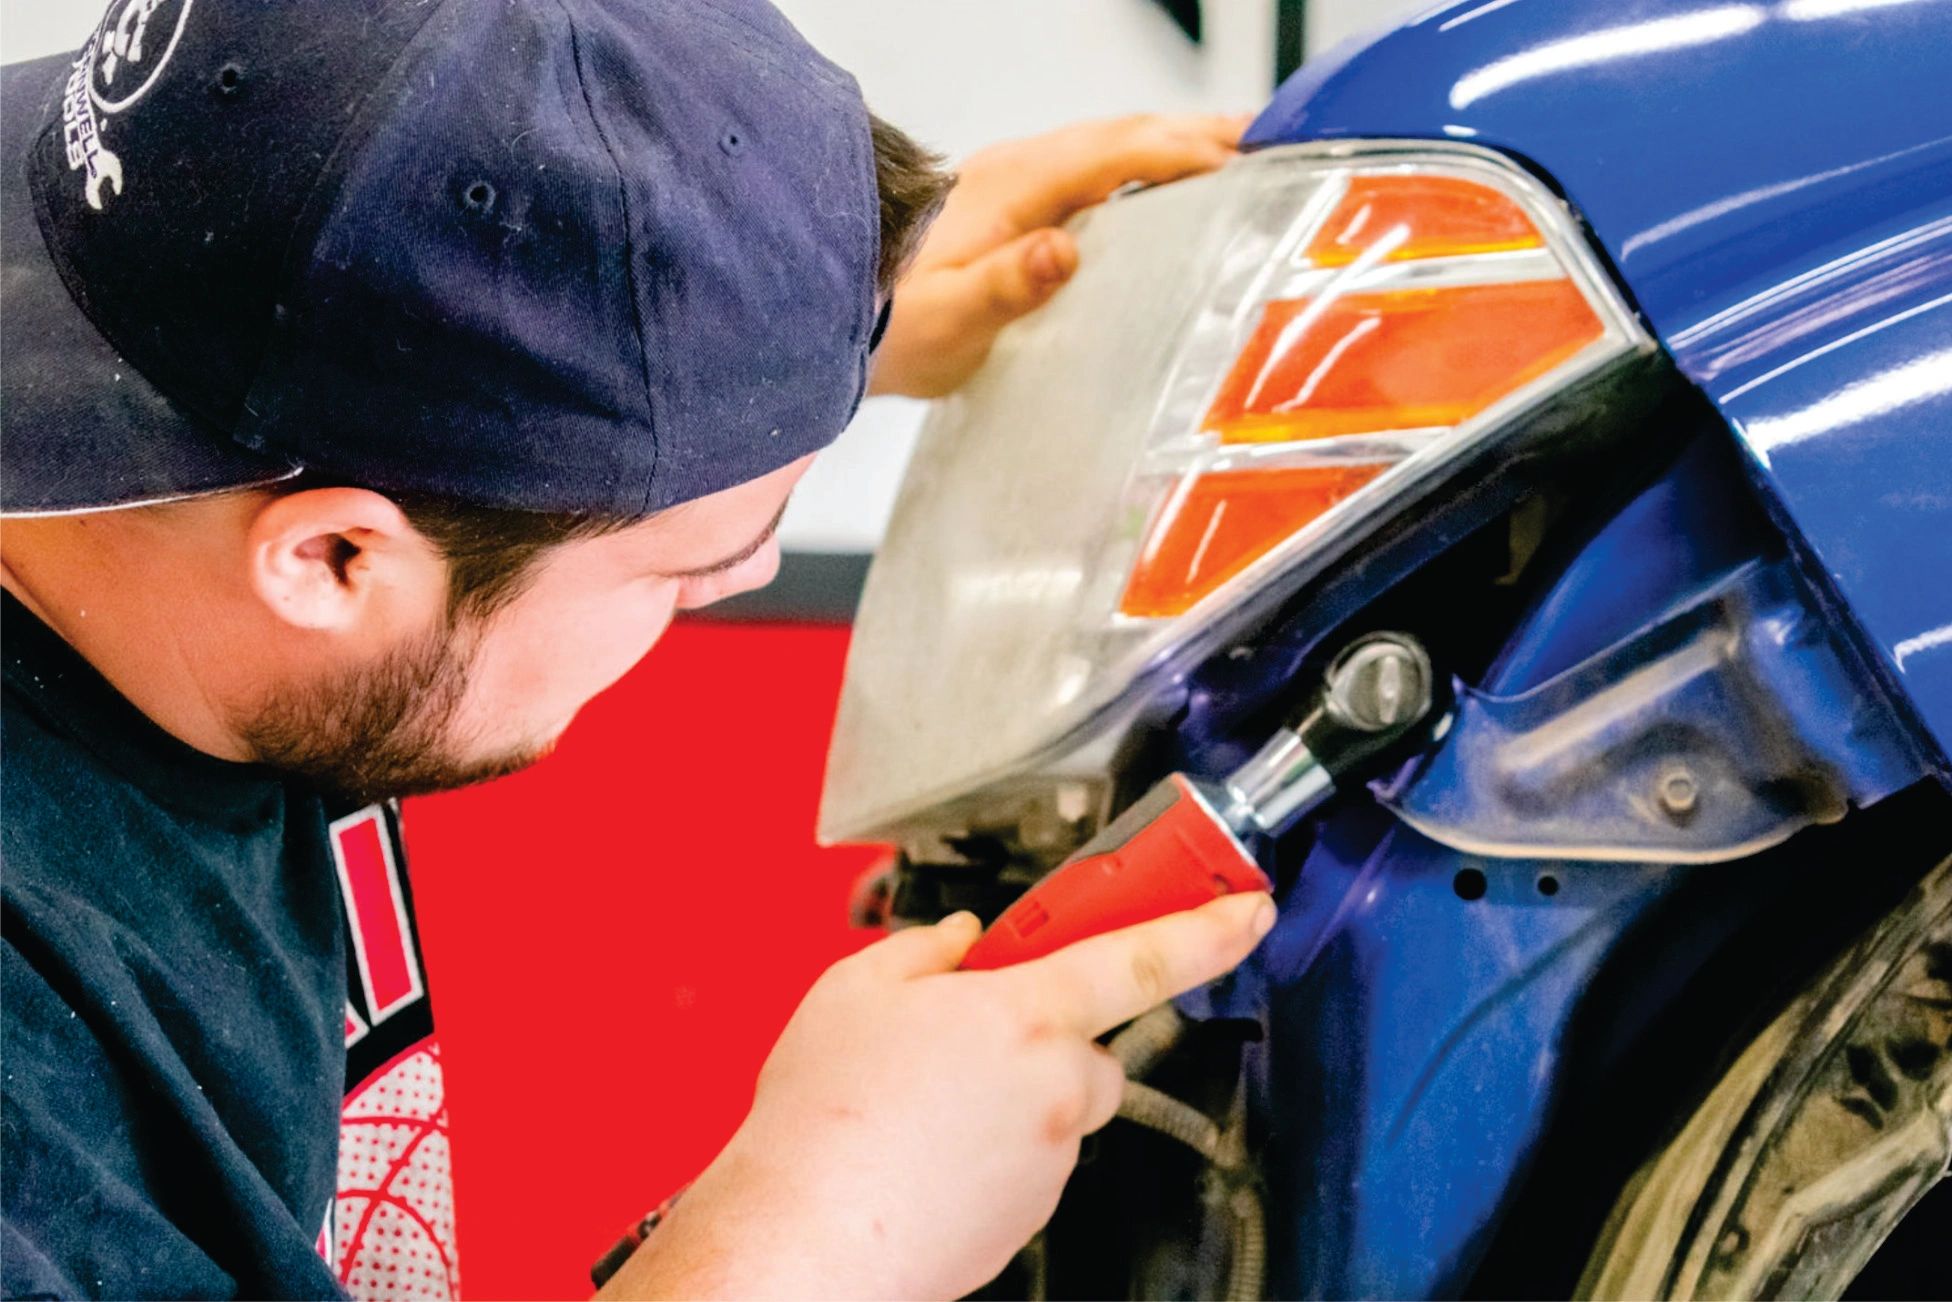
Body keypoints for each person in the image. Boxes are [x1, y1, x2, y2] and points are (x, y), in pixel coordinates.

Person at [0, 1, 1272, 1297]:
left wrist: (780, 322)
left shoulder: (174, 399)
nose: (737, 577)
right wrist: (804, 1240)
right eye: (692, 571)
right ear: (334, 559)